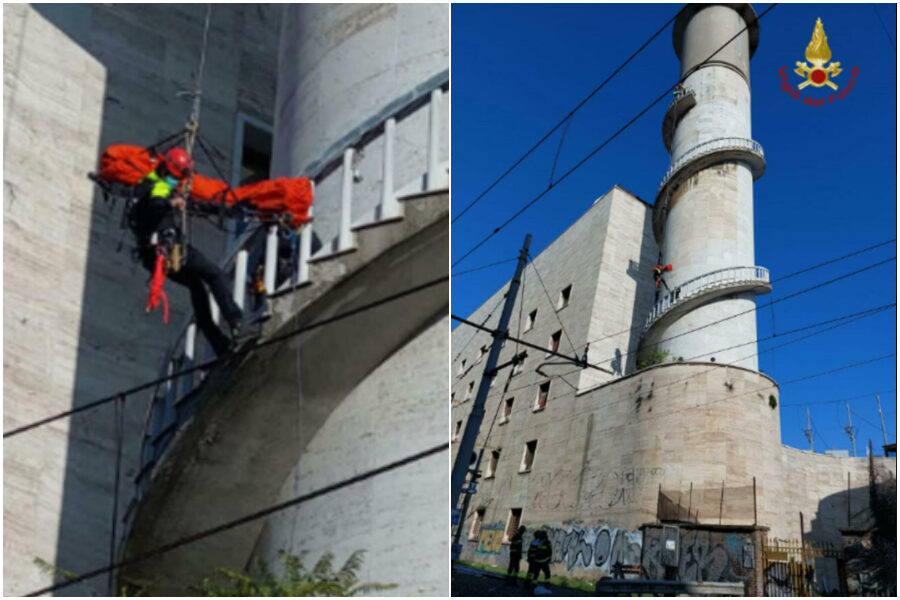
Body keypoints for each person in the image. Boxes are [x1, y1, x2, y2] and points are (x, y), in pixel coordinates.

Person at [129, 147, 243, 356]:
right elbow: (156, 203)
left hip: (153, 256)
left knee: (197, 288)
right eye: (176, 176)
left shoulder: (145, 186)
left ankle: (219, 344)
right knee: (214, 274)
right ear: (167, 170)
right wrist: (172, 202)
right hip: (169, 250)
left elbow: (182, 206)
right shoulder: (158, 186)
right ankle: (236, 323)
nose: (176, 181)